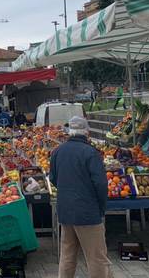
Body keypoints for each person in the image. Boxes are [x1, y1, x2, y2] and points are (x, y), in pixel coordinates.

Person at [50, 116, 111, 278]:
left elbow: (53, 179)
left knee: (67, 256)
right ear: (87, 133)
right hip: (87, 212)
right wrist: (101, 207)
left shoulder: (57, 151)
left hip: (65, 211)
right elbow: (101, 184)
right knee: (96, 258)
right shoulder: (91, 153)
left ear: (69, 132)